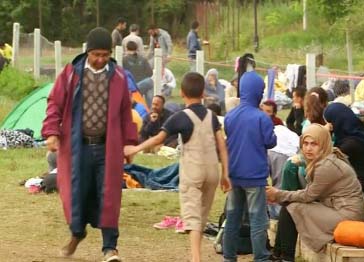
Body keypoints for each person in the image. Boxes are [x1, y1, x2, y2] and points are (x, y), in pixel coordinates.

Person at [41, 27, 138, 262]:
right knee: (77, 192)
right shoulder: (71, 74)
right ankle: (77, 233)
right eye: (96, 54)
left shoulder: (118, 77)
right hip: (77, 147)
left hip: (108, 147)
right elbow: (54, 103)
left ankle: (110, 248)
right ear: (88, 52)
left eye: (105, 55)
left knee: (109, 195)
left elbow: (126, 112)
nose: (100, 59)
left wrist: (129, 143)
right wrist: (52, 132)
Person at [124, 72, 231, 262]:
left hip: (193, 170)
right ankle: (196, 255)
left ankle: (196, 258)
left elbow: (158, 138)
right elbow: (222, 145)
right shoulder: (212, 116)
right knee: (203, 213)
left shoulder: (180, 117)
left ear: (181, 93)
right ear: (203, 93)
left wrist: (136, 148)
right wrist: (225, 174)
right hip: (212, 171)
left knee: (192, 216)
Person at [266, 124, 364, 261]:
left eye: (314, 144)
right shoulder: (325, 158)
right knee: (290, 206)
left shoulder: (326, 165)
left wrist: (278, 194)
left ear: (323, 145)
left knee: (293, 207)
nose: (308, 148)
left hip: (347, 215)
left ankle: (286, 257)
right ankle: (279, 255)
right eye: (305, 143)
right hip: (336, 208)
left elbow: (308, 195)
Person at [223, 71, 277, 262]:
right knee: (257, 220)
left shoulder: (231, 116)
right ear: (258, 92)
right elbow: (271, 142)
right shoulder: (262, 118)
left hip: (234, 174)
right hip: (255, 177)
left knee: (232, 218)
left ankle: (229, 256)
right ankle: (260, 257)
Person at [323, 102, 364, 207]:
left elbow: (326, 160)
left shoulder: (350, 144)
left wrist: (324, 133)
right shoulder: (361, 130)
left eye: (329, 122)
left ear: (335, 122)